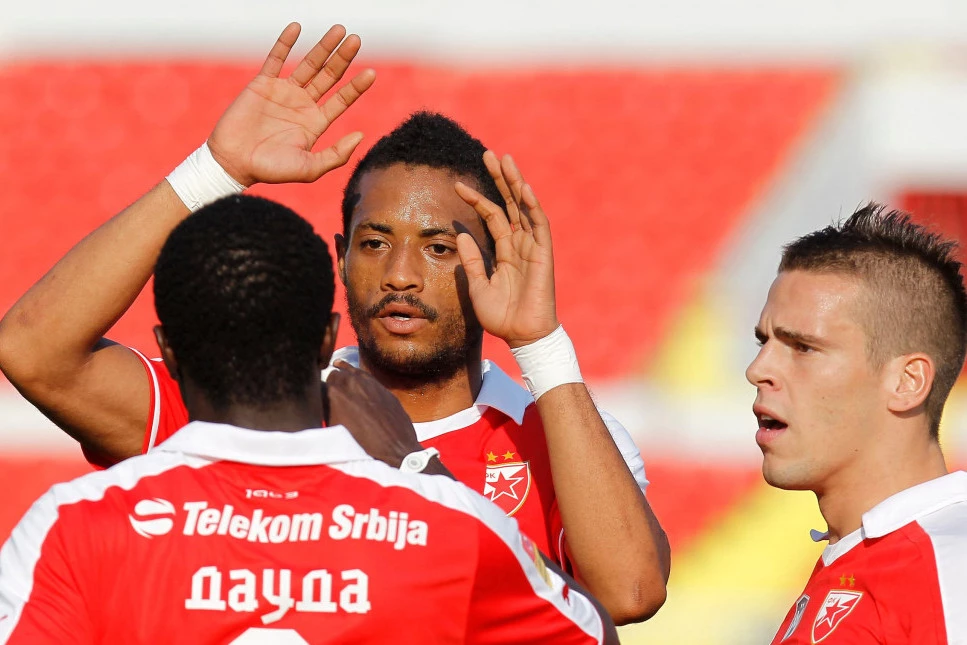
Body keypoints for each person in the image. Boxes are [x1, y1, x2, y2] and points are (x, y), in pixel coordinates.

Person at [0, 23, 669, 622]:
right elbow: (33, 351)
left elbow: (629, 593)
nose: (400, 275)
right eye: (374, 243)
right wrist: (214, 172)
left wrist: (539, 346)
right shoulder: (257, 405)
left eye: (439, 248)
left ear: (492, 264)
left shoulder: (560, 438)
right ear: (341, 257)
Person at [0, 194, 618, 645]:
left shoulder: (73, 528)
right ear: (328, 340)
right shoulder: (455, 528)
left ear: (168, 351)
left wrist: (213, 168)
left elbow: (29, 348)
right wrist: (418, 469)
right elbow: (596, 633)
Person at [746, 204, 967, 644]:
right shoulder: (857, 556)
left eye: (803, 347)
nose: (757, 370)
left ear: (907, 382)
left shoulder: (951, 568)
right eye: (764, 341)